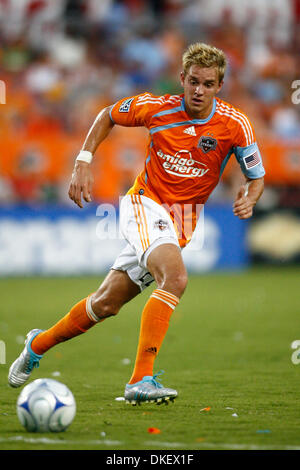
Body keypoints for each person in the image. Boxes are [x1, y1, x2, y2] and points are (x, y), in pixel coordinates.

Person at [8, 42, 265, 405]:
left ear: (219, 85)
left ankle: (37, 344)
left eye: (208, 84)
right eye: (193, 81)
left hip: (181, 223)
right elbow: (107, 115)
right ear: (181, 78)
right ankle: (140, 380)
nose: (198, 90)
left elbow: (256, 176)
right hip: (144, 204)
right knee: (175, 278)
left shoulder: (235, 124)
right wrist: (83, 161)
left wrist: (250, 197)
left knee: (105, 304)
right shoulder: (156, 107)